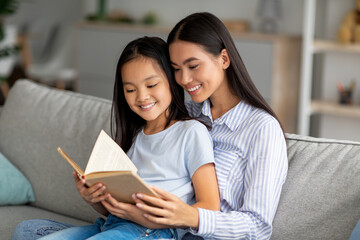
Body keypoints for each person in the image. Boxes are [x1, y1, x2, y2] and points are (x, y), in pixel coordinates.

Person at [11, 36, 220, 240]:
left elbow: (210, 207)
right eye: (130, 89)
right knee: (27, 230)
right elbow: (117, 209)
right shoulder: (136, 136)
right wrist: (93, 199)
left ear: (171, 82)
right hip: (114, 225)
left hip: (154, 231)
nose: (141, 97)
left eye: (151, 85)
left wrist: (152, 219)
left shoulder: (190, 131)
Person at [129, 12, 288, 240]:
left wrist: (192, 217)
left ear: (224, 59)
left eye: (193, 66)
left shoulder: (262, 129)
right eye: (175, 68)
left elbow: (257, 226)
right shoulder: (186, 114)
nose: (183, 79)